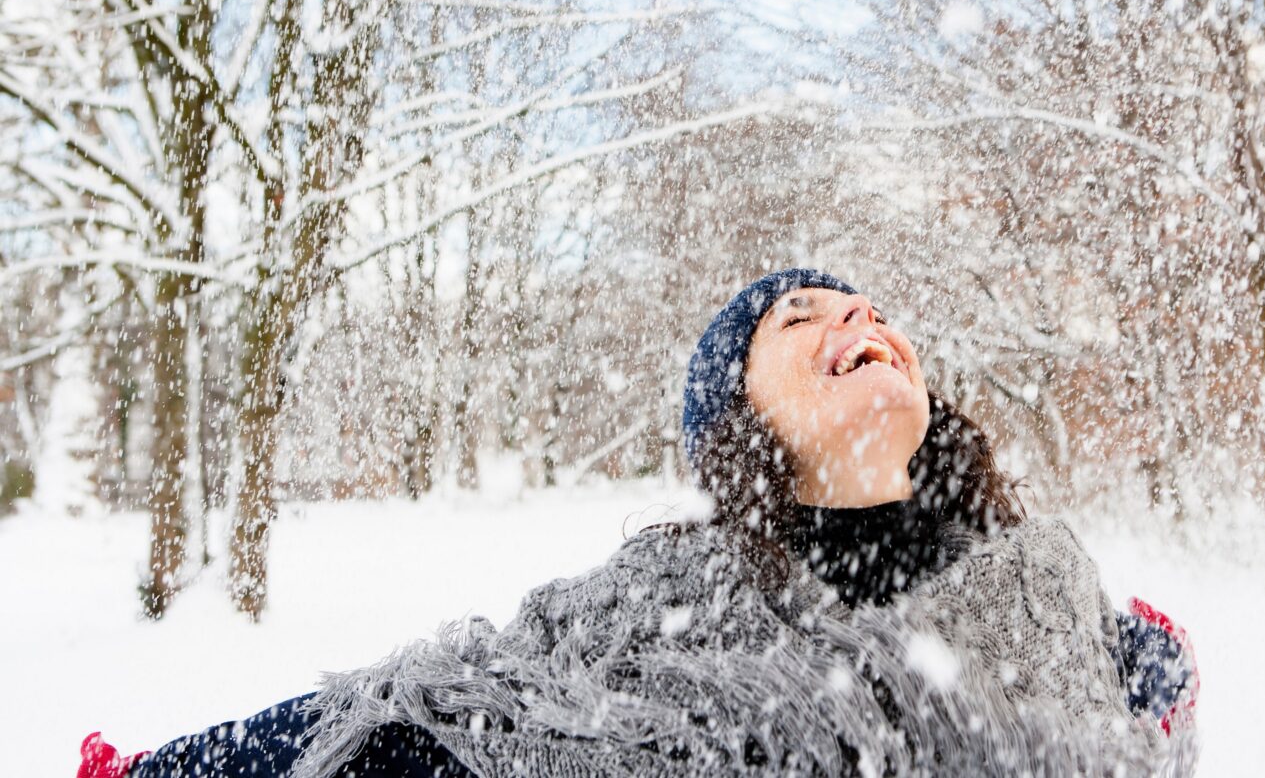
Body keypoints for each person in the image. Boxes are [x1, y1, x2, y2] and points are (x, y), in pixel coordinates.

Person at [81, 268, 1197, 777]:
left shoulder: (1074, 612)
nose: (859, 315)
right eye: (799, 317)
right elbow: (418, 720)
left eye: (867, 306)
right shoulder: (653, 617)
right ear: (741, 422)